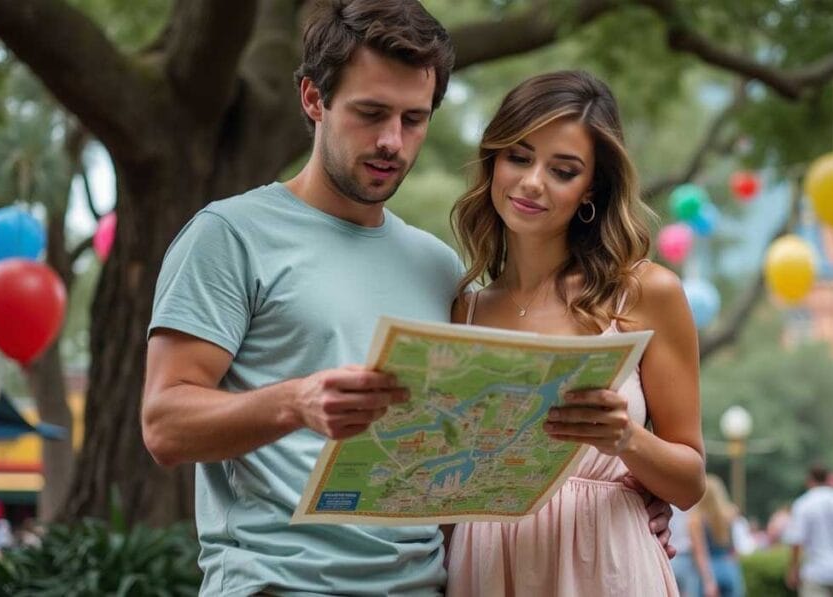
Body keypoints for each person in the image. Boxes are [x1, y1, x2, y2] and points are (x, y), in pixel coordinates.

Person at [141, 2, 673, 594]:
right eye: (371, 113)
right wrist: (295, 402)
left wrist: (628, 503)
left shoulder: (440, 270)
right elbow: (165, 425)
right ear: (313, 100)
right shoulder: (229, 236)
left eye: (413, 119)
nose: (392, 141)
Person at [444, 70, 705, 596]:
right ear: (493, 161)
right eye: (518, 157)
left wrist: (627, 440)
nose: (532, 181)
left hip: (605, 564)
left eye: (562, 170)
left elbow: (690, 482)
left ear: (592, 188)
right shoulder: (463, 311)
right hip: (485, 567)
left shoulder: (647, 293)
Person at [785, 464, 833, 597]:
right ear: (828, 478)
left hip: (815, 571)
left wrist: (793, 568)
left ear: (809, 480)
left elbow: (797, 540)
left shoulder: (804, 503)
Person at [689, 475, 746, 597]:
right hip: (729, 567)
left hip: (710, 570)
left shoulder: (696, 519)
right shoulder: (731, 514)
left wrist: (708, 581)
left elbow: (700, 553)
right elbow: (737, 547)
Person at [671, 506, 703, 597]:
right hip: (686, 559)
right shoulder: (690, 503)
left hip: (667, 559)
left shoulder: (662, 498)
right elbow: (697, 541)